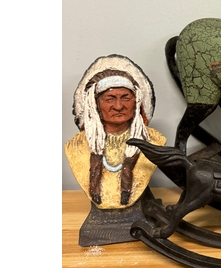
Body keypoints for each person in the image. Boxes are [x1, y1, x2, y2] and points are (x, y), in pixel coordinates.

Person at [65, 54, 166, 210]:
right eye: (110, 99)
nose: (118, 106)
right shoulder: (77, 145)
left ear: (137, 101)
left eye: (125, 98)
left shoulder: (153, 140)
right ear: (95, 105)